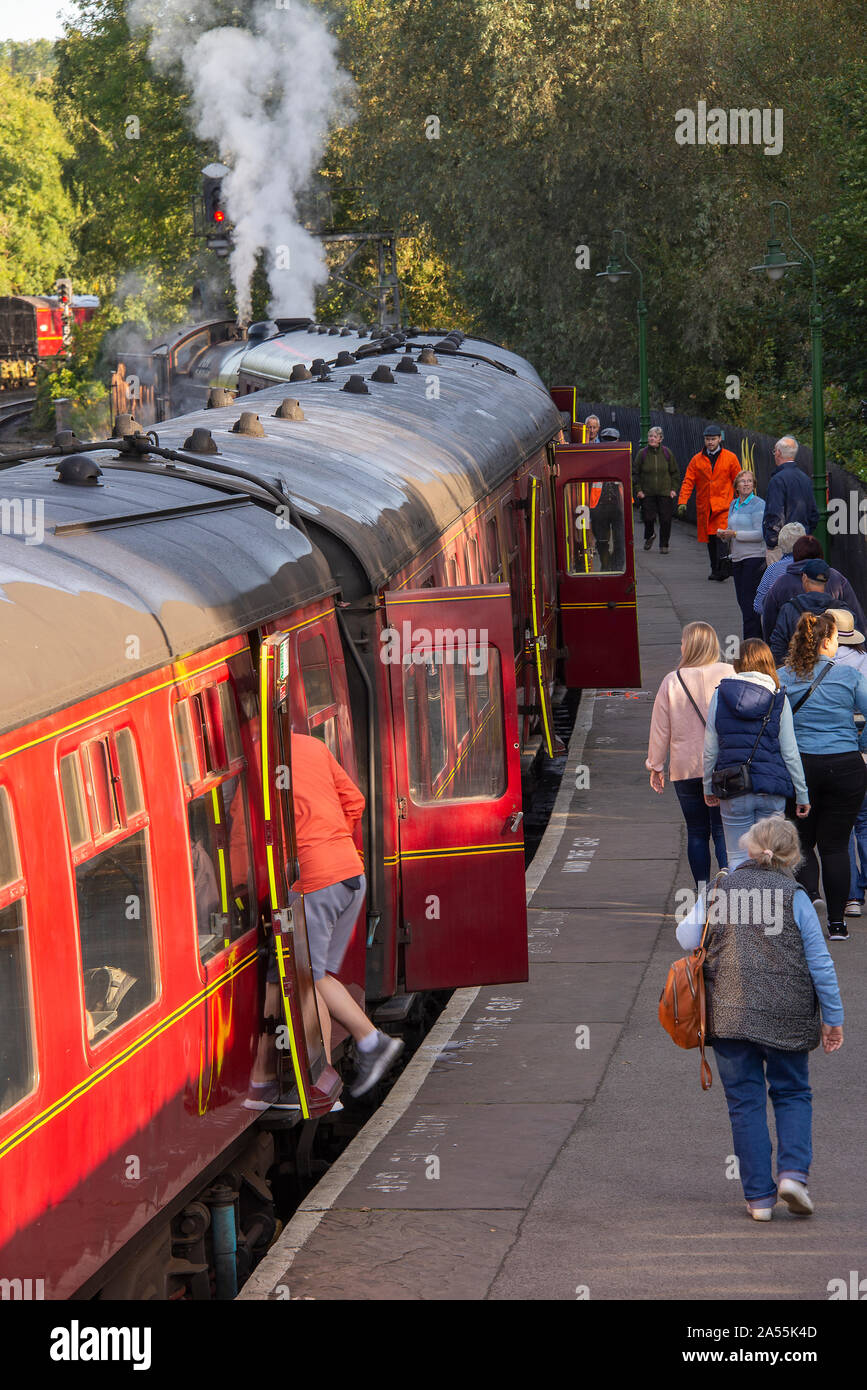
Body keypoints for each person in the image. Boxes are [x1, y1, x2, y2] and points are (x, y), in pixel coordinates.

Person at [676, 815, 843, 1221]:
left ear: (749, 848)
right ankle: (792, 1175)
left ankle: (759, 1199)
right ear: (792, 857)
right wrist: (833, 1017)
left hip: (730, 1012)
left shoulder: (721, 888)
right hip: (788, 1013)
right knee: (791, 1092)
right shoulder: (796, 895)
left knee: (744, 1101)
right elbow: (820, 962)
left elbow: (685, 937)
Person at [246, 733, 403, 1110]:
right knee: (315, 979)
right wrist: (333, 843)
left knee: (306, 978)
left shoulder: (254, 754)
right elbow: (355, 801)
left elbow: (242, 832)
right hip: (350, 874)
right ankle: (343, 1062)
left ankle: (347, 1058)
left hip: (315, 882)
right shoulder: (311, 745)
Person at [778, 611, 867, 939]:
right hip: (845, 764)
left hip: (800, 766)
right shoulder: (848, 675)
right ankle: (838, 923)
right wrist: (860, 744)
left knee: (802, 842)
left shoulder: (782, 677)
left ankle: (810, 896)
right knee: (836, 845)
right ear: (827, 641)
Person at [703, 639, 808, 868]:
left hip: (733, 786)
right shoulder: (778, 698)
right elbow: (790, 751)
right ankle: (773, 902)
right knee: (774, 857)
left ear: (738, 662)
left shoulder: (721, 696)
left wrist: (707, 785)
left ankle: (741, 903)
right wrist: (802, 793)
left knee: (737, 858)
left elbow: (711, 747)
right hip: (771, 786)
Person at [646, 621, 734, 888]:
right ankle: (727, 888)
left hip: (685, 767)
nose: (681, 646)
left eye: (683, 641)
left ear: (690, 646)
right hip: (722, 766)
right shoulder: (730, 673)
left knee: (696, 831)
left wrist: (656, 765)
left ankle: (702, 891)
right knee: (722, 831)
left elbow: (661, 728)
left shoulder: (673, 680)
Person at [825, 609, 867, 918]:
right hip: (863, 748)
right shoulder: (863, 662)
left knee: (843, 830)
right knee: (865, 823)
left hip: (835, 751)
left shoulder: (821, 665)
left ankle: (851, 897)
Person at [762, 539, 866, 643]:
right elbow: (856, 619)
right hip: (834, 650)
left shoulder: (781, 583)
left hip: (794, 652)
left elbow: (769, 622)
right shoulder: (836, 578)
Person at [677, 425, 741, 581]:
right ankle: (715, 569)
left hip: (724, 505)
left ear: (720, 439)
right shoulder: (697, 459)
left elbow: (738, 480)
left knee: (721, 538)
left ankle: (722, 569)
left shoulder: (730, 458)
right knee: (710, 540)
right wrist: (682, 501)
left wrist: (741, 501)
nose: (710, 442)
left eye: (713, 439)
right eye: (707, 439)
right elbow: (688, 481)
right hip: (706, 506)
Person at [718, 471, 765, 638]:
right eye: (742, 481)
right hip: (737, 558)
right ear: (736, 485)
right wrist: (725, 536)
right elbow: (733, 531)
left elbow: (760, 534)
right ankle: (757, 642)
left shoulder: (758, 504)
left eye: (749, 481)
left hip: (753, 558)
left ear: (754, 485)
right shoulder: (733, 504)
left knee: (749, 603)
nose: (746, 484)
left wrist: (736, 534)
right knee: (742, 602)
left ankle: (751, 643)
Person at [768, 558, 841, 663]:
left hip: (796, 671)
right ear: (826, 582)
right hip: (833, 672)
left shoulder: (788, 609)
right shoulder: (840, 608)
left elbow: (778, 647)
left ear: (804, 578)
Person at [762, 436, 820, 560]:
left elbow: (775, 514)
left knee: (778, 578)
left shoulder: (777, 480)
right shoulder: (805, 478)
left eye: (774, 451)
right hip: (803, 545)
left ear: (778, 452)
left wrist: (772, 541)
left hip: (781, 547)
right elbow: (814, 514)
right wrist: (805, 535)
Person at [633, 426, 679, 553]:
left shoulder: (667, 453)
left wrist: (673, 489)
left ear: (660, 439)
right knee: (648, 518)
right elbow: (635, 473)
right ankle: (650, 535)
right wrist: (638, 490)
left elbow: (675, 473)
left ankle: (664, 545)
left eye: (654, 436)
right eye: (650, 436)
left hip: (665, 492)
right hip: (647, 493)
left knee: (665, 519)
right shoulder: (642, 454)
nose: (652, 438)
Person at [753, 522, 806, 620]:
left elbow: (758, 605)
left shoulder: (773, 569)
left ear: (781, 542)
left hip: (781, 625)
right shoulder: (813, 566)